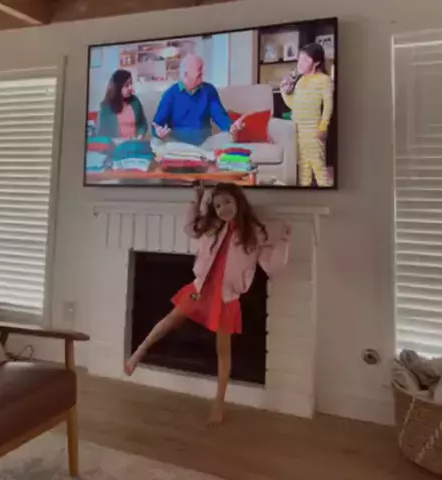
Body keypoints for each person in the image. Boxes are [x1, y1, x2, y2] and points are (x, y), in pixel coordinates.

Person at [124, 182, 291, 426]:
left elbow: (272, 265)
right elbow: (191, 229)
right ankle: (140, 351)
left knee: (223, 352)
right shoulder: (213, 227)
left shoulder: (253, 232)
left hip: (225, 298)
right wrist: (198, 199)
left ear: (239, 202)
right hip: (199, 290)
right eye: (218, 205)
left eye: (228, 202)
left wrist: (284, 238)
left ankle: (218, 404)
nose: (223, 209)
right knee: (170, 320)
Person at [151, 54, 244, 152]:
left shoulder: (209, 90)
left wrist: (231, 126)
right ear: (186, 74)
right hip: (177, 144)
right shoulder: (170, 94)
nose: (201, 74)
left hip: (205, 144)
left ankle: (201, 153)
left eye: (201, 70)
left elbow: (219, 115)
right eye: (199, 71)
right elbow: (157, 124)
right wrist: (158, 132)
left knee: (228, 137)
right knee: (155, 142)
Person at [280, 43, 334, 187]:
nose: (301, 63)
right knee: (303, 169)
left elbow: (328, 106)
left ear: (316, 62)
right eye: (300, 59)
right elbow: (294, 105)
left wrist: (323, 127)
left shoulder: (324, 80)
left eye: (306, 59)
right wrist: (283, 91)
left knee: (318, 166)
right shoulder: (300, 81)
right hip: (298, 130)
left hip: (314, 130)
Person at [98, 69, 148, 140]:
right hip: (116, 145)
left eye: (131, 84)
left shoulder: (135, 101)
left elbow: (143, 124)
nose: (130, 88)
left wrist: (140, 135)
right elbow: (102, 133)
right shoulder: (106, 107)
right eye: (126, 85)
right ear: (117, 87)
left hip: (135, 143)